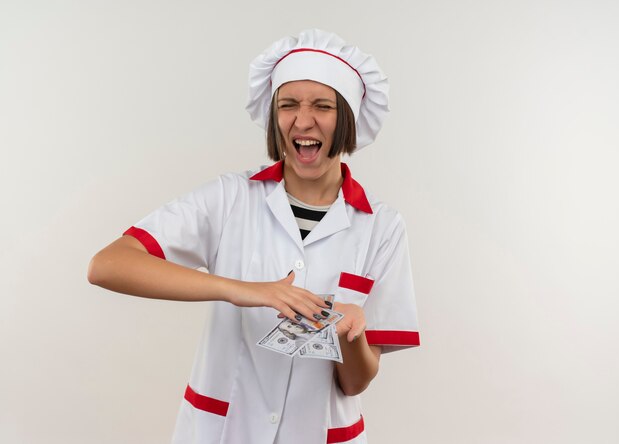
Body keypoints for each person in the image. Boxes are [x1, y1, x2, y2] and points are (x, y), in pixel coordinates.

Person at [88, 29, 420, 444]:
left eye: (322, 105)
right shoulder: (230, 198)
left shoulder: (382, 227)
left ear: (348, 116)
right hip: (222, 431)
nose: (302, 120)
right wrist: (243, 290)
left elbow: (355, 383)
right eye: (288, 105)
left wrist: (349, 337)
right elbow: (107, 266)